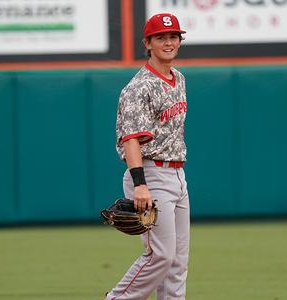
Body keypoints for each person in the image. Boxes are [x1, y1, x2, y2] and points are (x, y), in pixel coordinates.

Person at [104, 13, 190, 300]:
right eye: (160, 37)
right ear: (148, 43)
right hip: (150, 174)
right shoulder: (138, 87)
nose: (168, 42)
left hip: (178, 175)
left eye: (173, 36)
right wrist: (140, 183)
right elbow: (130, 139)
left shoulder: (178, 78)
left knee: (177, 261)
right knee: (161, 255)